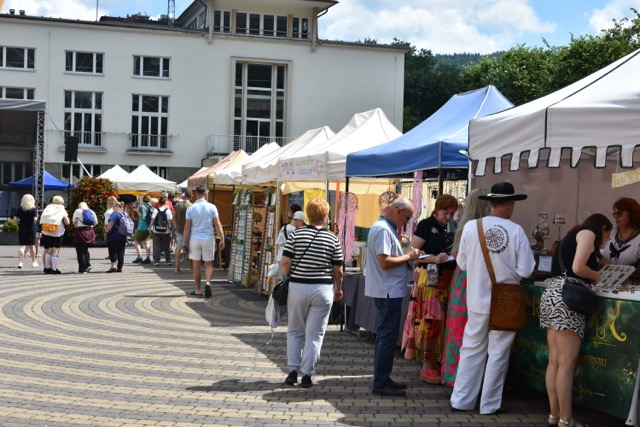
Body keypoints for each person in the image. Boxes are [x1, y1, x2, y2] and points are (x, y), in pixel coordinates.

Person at [450, 182, 535, 415]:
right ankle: (489, 405)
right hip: (505, 300)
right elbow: (526, 269)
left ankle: (461, 400)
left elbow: (462, 263)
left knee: (471, 348)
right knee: (498, 352)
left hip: (477, 298)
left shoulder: (471, 227)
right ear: (510, 204)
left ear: (490, 203)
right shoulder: (516, 231)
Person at [540, 213, 612, 427]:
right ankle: (566, 419)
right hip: (568, 299)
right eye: (607, 234)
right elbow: (578, 268)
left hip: (552, 294)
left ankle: (554, 415)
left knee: (554, 361)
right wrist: (597, 276)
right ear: (602, 227)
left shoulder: (571, 236)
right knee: (566, 363)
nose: (606, 239)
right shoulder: (589, 233)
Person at [280, 198, 344, 389]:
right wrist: (338, 288)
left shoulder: (296, 234)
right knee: (315, 334)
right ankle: (307, 375)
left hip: (298, 287)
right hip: (323, 289)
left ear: (308, 214)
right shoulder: (332, 238)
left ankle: (292, 371)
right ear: (326, 215)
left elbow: (285, 261)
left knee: (295, 330)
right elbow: (338, 270)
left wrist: (290, 276)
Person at [365, 197, 421, 397]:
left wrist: (406, 255)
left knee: (386, 336)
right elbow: (385, 262)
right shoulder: (382, 229)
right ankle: (380, 381)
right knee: (387, 337)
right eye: (407, 217)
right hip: (387, 290)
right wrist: (409, 256)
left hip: (388, 289)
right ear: (398, 210)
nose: (406, 222)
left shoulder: (384, 227)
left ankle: (383, 377)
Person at [402, 194, 459, 384]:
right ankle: (426, 366)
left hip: (446, 281)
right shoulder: (426, 225)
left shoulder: (452, 226)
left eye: (452, 213)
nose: (448, 217)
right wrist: (433, 258)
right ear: (437, 210)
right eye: (445, 213)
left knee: (442, 323)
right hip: (429, 281)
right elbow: (413, 254)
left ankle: (437, 362)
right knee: (430, 322)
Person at [440, 189, 490, 387]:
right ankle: (470, 380)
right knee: (473, 333)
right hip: (475, 281)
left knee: (458, 328)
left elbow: (460, 258)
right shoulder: (482, 227)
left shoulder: (464, 227)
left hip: (461, 281)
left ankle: (455, 375)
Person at [182, 185, 225, 297]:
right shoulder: (212, 207)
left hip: (194, 238)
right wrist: (222, 238)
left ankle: (198, 289)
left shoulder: (190, 208)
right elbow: (217, 224)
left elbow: (187, 227)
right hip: (208, 238)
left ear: (196, 193)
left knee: (196, 265)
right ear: (206, 193)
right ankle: (208, 283)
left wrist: (184, 241)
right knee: (209, 264)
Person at [602, 197, 640, 268]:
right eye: (614, 214)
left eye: (619, 213)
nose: (616, 217)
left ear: (632, 214)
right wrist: (601, 261)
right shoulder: (610, 234)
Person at [272, 210, 306, 283]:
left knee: (279, 279)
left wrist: (277, 256)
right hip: (289, 258)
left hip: (280, 256)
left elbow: (277, 243)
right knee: (286, 280)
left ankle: (277, 290)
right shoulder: (296, 231)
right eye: (302, 222)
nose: (302, 225)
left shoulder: (283, 228)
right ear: (299, 221)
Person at [40, 195, 70, 274]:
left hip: (47, 231)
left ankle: (46, 268)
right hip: (57, 232)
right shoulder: (61, 209)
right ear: (61, 202)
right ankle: (54, 269)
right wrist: (67, 222)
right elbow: (67, 222)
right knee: (55, 250)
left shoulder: (48, 207)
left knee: (49, 250)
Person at [13, 194, 38, 269]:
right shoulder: (33, 209)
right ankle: (33, 262)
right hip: (31, 228)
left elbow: (14, 219)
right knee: (32, 246)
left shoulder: (20, 209)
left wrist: (18, 225)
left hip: (22, 228)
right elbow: (35, 219)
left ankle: (20, 262)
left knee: (22, 246)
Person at [71, 201, 97, 274]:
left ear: (79, 206)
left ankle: (82, 269)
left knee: (80, 250)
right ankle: (87, 265)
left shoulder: (77, 211)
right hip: (90, 232)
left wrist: (77, 226)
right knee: (85, 249)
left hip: (81, 231)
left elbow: (74, 222)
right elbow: (96, 222)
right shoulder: (91, 211)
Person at [104, 202, 128, 272]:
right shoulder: (125, 214)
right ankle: (120, 267)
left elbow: (111, 223)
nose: (112, 208)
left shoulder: (114, 214)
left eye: (114, 206)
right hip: (123, 235)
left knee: (112, 251)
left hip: (114, 235)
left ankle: (113, 266)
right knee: (121, 252)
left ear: (118, 207)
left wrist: (106, 231)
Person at [173, 190, 193, 273]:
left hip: (180, 229)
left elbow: (174, 217)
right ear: (191, 197)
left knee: (179, 247)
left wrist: (176, 224)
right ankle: (191, 267)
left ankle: (176, 267)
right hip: (189, 229)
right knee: (191, 248)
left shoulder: (177, 205)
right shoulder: (191, 206)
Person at [150, 196, 173, 267]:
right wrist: (171, 228)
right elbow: (170, 220)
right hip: (166, 230)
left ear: (159, 203)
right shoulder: (168, 210)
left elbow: (153, 219)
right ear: (165, 202)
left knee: (156, 245)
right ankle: (168, 260)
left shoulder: (156, 210)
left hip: (156, 230)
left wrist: (150, 228)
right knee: (166, 246)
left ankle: (156, 261)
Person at [132, 195, 153, 264]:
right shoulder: (151, 206)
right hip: (149, 227)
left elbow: (143, 216)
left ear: (143, 200)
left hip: (141, 227)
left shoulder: (143, 206)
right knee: (146, 242)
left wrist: (138, 212)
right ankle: (148, 258)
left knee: (136, 241)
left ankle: (139, 257)